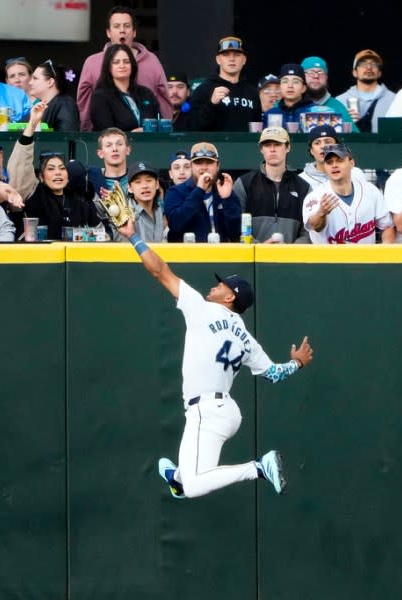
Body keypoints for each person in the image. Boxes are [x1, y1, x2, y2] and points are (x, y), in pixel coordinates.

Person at [113, 218, 314, 500]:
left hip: (206, 411)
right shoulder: (246, 337)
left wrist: (134, 237)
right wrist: (297, 363)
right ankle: (176, 477)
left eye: (221, 286)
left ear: (230, 297)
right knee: (189, 479)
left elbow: (159, 271)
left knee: (195, 487)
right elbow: (273, 374)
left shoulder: (202, 309)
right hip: (225, 413)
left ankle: (258, 468)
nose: (215, 286)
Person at [76, 6, 172, 132]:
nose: (122, 30)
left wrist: (163, 132)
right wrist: (87, 134)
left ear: (134, 32)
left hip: (149, 138)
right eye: (116, 26)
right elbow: (84, 104)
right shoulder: (92, 62)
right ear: (108, 32)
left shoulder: (151, 61)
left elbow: (163, 98)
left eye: (126, 26)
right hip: (109, 142)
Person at [232, 126, 311, 244]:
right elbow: (234, 226)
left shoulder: (303, 187)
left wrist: (290, 251)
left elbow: (309, 231)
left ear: (288, 147)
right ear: (261, 149)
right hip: (253, 258)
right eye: (267, 145)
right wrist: (260, 248)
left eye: (277, 144)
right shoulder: (244, 183)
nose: (272, 149)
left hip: (292, 259)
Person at [302, 144, 394, 244]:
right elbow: (315, 227)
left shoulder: (370, 191)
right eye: (329, 162)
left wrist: (384, 256)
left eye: (339, 160)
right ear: (324, 167)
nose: (334, 165)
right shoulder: (316, 196)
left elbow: (387, 226)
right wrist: (321, 213)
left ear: (351, 163)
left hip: (366, 259)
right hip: (329, 259)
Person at [164, 142, 242, 242]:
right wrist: (199, 191)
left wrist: (227, 199)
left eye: (209, 162)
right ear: (191, 166)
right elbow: (175, 225)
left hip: (220, 255)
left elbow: (236, 234)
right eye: (198, 163)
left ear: (217, 165)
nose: (204, 167)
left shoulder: (224, 190)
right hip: (188, 255)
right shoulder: (175, 192)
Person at [24, 151, 105, 241]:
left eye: (62, 168)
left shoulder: (81, 203)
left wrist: (80, 235)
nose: (58, 172)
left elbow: (103, 235)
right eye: (51, 169)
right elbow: (22, 169)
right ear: (41, 177)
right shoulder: (35, 197)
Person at [187, 36, 261, 132]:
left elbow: (257, 130)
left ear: (244, 60)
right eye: (226, 54)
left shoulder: (252, 93)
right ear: (218, 59)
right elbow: (192, 127)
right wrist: (211, 104)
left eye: (237, 54)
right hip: (214, 146)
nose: (232, 59)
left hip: (244, 146)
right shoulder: (204, 89)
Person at [90, 43, 160, 132]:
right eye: (116, 62)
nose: (122, 66)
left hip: (151, 144)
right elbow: (105, 133)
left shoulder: (146, 93)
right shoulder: (100, 97)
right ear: (109, 67)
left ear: (132, 65)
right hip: (120, 145)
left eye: (126, 62)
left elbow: (159, 124)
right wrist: (132, 135)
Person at [335, 49, 396, 133]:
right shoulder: (340, 101)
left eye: (374, 64)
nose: (369, 67)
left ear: (379, 73)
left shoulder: (394, 100)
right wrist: (345, 122)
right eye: (363, 64)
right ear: (354, 72)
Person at [298, 124, 367, 191]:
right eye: (317, 143)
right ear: (311, 151)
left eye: (328, 142)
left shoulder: (355, 173)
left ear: (337, 146)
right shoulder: (302, 180)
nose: (323, 146)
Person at [300, 57, 357, 131]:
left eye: (320, 72)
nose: (316, 76)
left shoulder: (337, 107)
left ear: (326, 77)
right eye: (310, 72)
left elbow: (355, 138)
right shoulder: (290, 104)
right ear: (301, 77)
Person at [119, 161, 166, 242]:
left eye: (149, 180)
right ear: (129, 188)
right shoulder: (125, 214)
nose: (144, 186)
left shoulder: (159, 211)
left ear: (157, 184)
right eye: (138, 182)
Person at [28, 60, 80, 132]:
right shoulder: (39, 107)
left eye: (35, 78)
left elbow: (65, 138)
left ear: (50, 82)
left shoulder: (66, 104)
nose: (30, 82)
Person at [264, 64, 315, 131]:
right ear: (280, 87)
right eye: (285, 81)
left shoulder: (315, 111)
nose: (290, 86)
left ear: (303, 88)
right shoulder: (270, 114)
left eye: (295, 82)